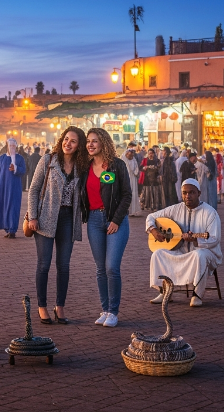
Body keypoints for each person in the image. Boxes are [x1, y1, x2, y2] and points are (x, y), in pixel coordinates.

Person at [28, 127, 87, 326]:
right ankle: (42, 306)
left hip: (68, 218)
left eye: (73, 141)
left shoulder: (82, 166)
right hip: (45, 217)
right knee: (44, 264)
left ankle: (60, 306)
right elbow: (34, 190)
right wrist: (33, 217)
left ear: (79, 146)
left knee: (63, 266)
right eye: (66, 139)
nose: (67, 143)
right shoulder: (48, 160)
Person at [81, 128, 132, 327]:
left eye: (94, 141)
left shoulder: (116, 165)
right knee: (100, 268)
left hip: (115, 221)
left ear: (103, 143)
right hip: (93, 220)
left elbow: (127, 195)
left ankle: (113, 311)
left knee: (112, 267)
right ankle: (104, 310)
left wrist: (116, 220)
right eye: (88, 141)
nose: (90, 145)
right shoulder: (85, 167)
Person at [147, 179, 222, 307]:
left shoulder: (210, 212)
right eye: (184, 193)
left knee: (199, 255)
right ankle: (165, 292)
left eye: (191, 192)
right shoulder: (176, 209)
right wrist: (154, 231)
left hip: (206, 252)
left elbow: (215, 238)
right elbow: (151, 217)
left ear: (199, 193)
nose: (188, 196)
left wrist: (196, 240)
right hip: (181, 251)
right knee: (158, 254)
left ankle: (197, 295)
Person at [0, 138, 26, 238]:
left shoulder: (20, 158)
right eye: (10, 146)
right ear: (7, 147)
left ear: (16, 147)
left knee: (13, 207)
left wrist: (16, 168)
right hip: (3, 188)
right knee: (4, 207)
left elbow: (23, 171)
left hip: (14, 188)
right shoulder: (2, 158)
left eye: (14, 146)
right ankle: (7, 228)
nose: (12, 148)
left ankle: (12, 229)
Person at [123, 148, 141, 216]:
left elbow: (136, 168)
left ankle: (133, 211)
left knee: (133, 194)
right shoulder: (123, 160)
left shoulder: (134, 160)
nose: (130, 156)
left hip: (133, 179)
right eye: (129, 154)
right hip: (125, 179)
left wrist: (135, 173)